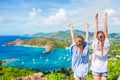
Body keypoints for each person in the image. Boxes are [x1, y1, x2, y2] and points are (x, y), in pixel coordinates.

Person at [90, 13, 110, 80]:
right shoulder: (106, 46)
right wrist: (105, 20)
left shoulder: (95, 46)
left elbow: (96, 33)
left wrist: (96, 20)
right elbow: (106, 33)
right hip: (101, 69)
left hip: (98, 69)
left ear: (97, 38)